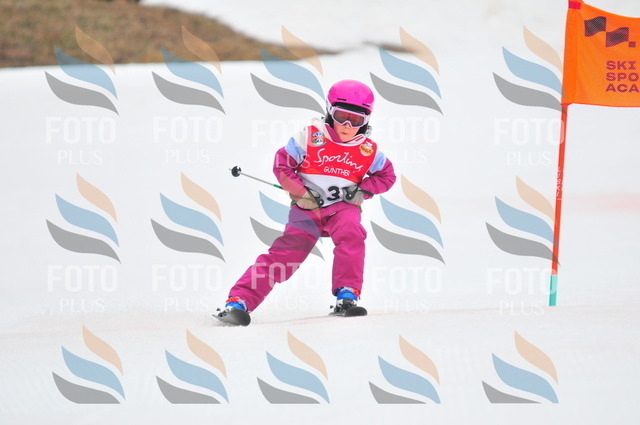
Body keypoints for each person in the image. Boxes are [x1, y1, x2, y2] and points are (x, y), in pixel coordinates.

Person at [218, 79, 396, 319]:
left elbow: (387, 176)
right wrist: (301, 193)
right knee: (287, 253)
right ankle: (239, 301)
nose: (346, 126)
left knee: (352, 232)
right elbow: (282, 164)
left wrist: (362, 191)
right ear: (329, 111)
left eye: (356, 120)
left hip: (343, 208)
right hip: (307, 208)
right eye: (341, 116)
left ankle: (347, 294)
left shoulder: (368, 150)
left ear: (366, 121)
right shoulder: (311, 137)